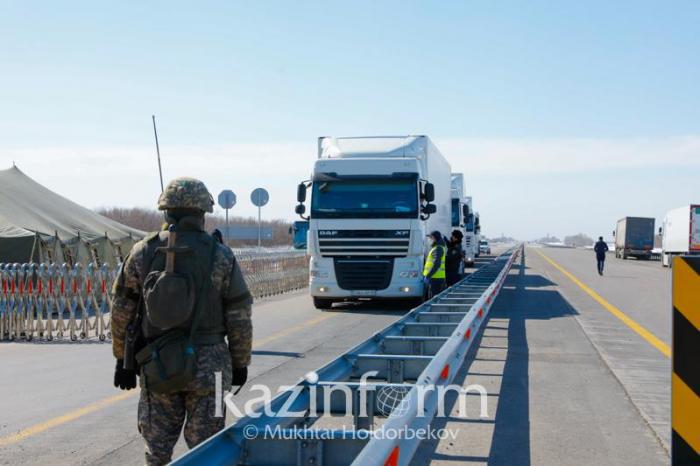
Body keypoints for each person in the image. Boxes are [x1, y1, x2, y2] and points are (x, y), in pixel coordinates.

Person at [111, 177, 253, 466]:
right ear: (202, 213)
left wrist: (121, 360)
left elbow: (121, 309)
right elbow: (239, 314)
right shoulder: (220, 255)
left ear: (166, 212)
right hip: (210, 369)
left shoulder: (143, 251)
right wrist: (240, 362)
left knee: (157, 452)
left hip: (158, 365)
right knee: (208, 451)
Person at [423, 231, 447, 299]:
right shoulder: (436, 247)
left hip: (436, 279)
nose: (429, 239)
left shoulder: (438, 248)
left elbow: (437, 264)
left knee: (434, 300)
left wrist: (428, 276)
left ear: (434, 238)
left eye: (430, 237)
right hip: (435, 278)